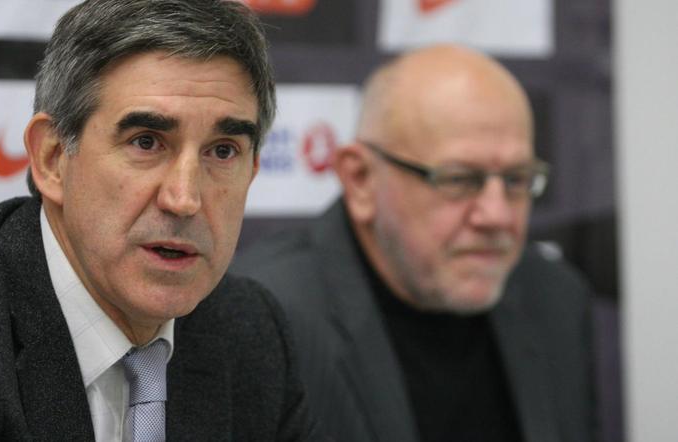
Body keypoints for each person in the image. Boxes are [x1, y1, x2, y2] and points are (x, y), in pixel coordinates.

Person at [0, 0, 322, 440]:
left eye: (223, 151)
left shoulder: (249, 329)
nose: (184, 199)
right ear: (53, 158)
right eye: (146, 142)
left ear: (252, 170)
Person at [233, 45, 596, 442]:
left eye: (516, 179)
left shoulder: (557, 299)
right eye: (459, 179)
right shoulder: (262, 319)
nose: (498, 216)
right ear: (361, 179)